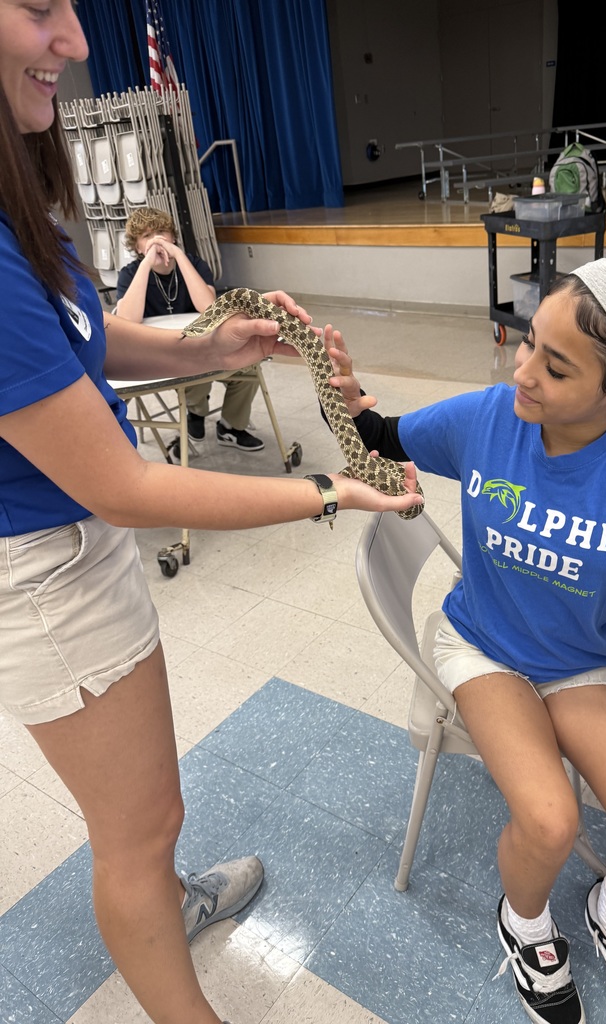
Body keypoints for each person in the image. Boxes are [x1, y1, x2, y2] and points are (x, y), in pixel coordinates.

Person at [0, 5, 422, 1024]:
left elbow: (78, 339)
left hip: (75, 549)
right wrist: (328, 488)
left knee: (149, 814)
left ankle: (167, 902)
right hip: (44, 575)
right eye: (40, 7)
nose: (78, 41)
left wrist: (206, 347)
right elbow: (128, 486)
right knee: (136, 832)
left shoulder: (15, 193)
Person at [323, 254, 606, 1024]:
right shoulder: (491, 418)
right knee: (549, 820)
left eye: (554, 368)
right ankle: (525, 925)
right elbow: (380, 437)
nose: (522, 373)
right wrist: (342, 394)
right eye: (527, 344)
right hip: (481, 646)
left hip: (581, 664)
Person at [116, 205, 264, 461]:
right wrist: (147, 263)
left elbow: (209, 307)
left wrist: (179, 257)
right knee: (195, 366)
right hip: (162, 352)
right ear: (137, 246)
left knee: (248, 368)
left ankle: (230, 426)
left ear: (173, 236)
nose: (156, 239)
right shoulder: (130, 274)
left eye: (162, 232)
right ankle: (196, 413)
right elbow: (127, 320)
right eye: (147, 236)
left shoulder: (193, 264)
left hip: (204, 343)